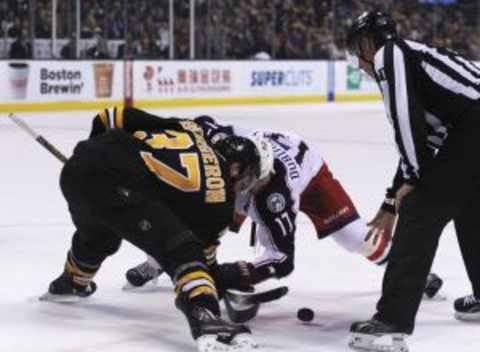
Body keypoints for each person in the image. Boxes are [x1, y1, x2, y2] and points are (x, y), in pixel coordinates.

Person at [125, 116, 443, 302]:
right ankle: (157, 262)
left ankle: (413, 271)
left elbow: (281, 259)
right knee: (200, 216)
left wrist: (230, 275)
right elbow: (198, 125)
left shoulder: (272, 195)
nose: (243, 188)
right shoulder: (224, 149)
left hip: (311, 177)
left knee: (354, 238)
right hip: (249, 164)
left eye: (250, 181)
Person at [40, 107, 267, 352]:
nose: (243, 186)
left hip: (75, 172)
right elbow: (200, 261)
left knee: (101, 234)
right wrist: (219, 283)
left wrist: (94, 152)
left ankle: (72, 282)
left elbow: (111, 116)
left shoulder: (191, 128)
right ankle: (206, 318)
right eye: (246, 178)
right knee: (183, 249)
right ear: (235, 168)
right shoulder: (219, 196)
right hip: (118, 185)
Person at [345, 11, 480, 352]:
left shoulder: (388, 55)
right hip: (471, 129)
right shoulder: (413, 56)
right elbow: (431, 137)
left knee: (421, 210)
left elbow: (406, 124)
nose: (359, 65)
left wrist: (413, 182)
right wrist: (393, 198)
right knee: (469, 206)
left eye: (355, 51)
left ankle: (392, 321)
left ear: (366, 43)